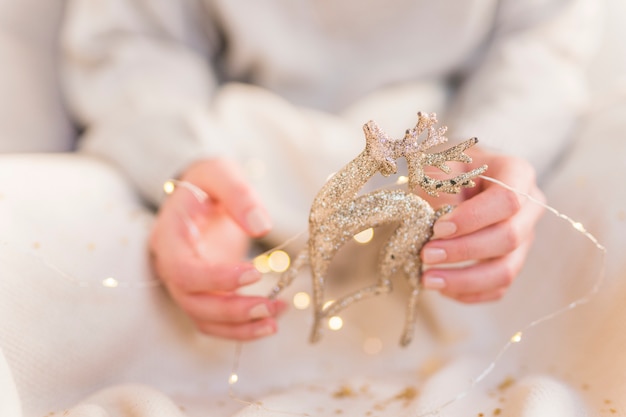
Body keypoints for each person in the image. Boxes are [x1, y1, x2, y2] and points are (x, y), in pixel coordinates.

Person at [60, 0, 599, 343]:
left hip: (453, 159)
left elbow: (541, 45)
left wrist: (491, 154)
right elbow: (136, 38)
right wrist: (186, 165)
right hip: (234, 155)